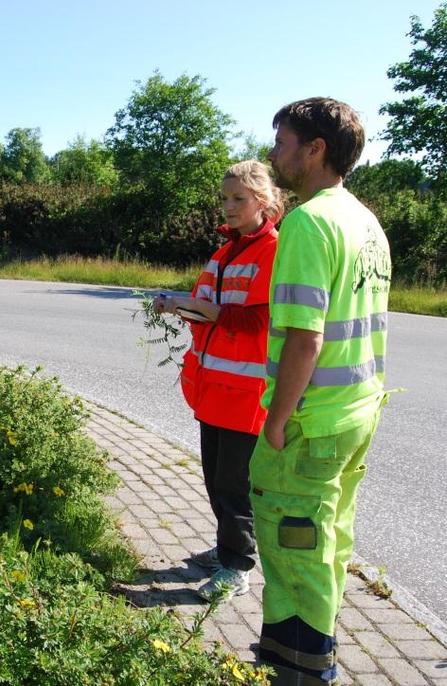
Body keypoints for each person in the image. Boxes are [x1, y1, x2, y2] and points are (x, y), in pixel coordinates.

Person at [251, 98, 391, 685]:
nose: (275, 152)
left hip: (311, 425)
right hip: (357, 410)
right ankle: (311, 655)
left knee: (294, 547)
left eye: (283, 141)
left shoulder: (309, 223)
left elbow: (304, 340)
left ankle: (304, 670)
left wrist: (278, 421)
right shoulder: (365, 221)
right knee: (328, 542)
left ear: (316, 150)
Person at [153, 159, 283, 601]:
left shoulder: (272, 251)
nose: (229, 206)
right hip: (214, 388)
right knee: (215, 478)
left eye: (239, 199)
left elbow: (263, 321)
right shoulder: (224, 251)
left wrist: (209, 311)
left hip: (246, 393)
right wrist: (178, 305)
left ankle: (237, 567)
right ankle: (228, 548)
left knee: (234, 485)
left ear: (263, 201)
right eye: (225, 198)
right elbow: (207, 306)